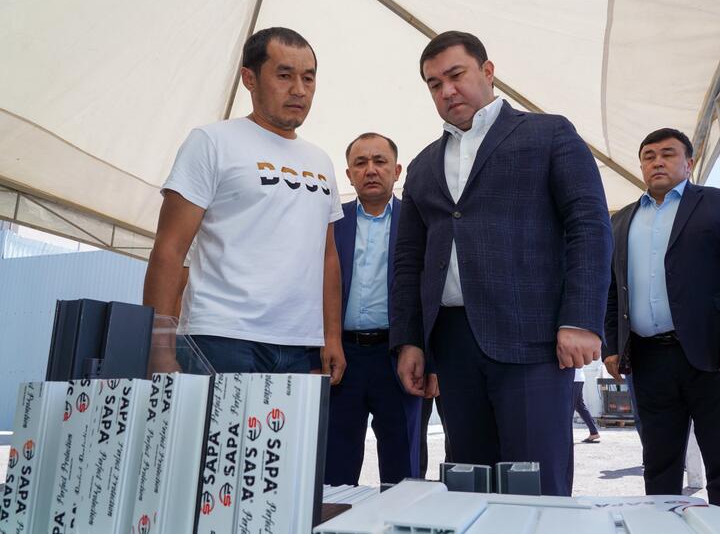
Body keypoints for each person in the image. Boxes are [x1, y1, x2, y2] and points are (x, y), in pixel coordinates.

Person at [391, 31, 613, 496]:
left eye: (456, 75)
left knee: (537, 483)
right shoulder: (422, 165)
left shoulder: (549, 133)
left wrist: (581, 318)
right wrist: (410, 341)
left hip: (534, 340)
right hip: (452, 345)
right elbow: (408, 261)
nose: (447, 90)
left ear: (488, 72)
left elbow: (589, 226)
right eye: (434, 84)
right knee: (468, 483)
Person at [143, 27, 345, 382]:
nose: (299, 90)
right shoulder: (211, 141)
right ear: (249, 79)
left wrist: (331, 336)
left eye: (308, 78)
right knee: (215, 425)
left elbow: (327, 255)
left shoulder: (321, 161)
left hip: (300, 345)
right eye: (284, 75)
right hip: (220, 336)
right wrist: (158, 344)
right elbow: (170, 247)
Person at [604, 127, 720, 508]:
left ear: (689, 163)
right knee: (658, 468)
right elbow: (611, 289)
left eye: (668, 154)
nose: (657, 162)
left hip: (718, 359)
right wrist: (612, 345)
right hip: (648, 361)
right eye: (649, 156)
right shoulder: (621, 220)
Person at [324, 132, 423, 486]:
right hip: (341, 357)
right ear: (348, 175)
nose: (370, 170)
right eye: (360, 163)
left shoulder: (418, 222)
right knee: (334, 469)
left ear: (397, 171)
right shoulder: (331, 224)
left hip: (398, 356)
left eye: (380, 161)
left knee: (403, 470)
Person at [573, 367, 600, 443]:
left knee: (572, 406)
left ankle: (565, 436)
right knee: (579, 406)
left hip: (574, 378)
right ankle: (594, 432)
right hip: (578, 377)